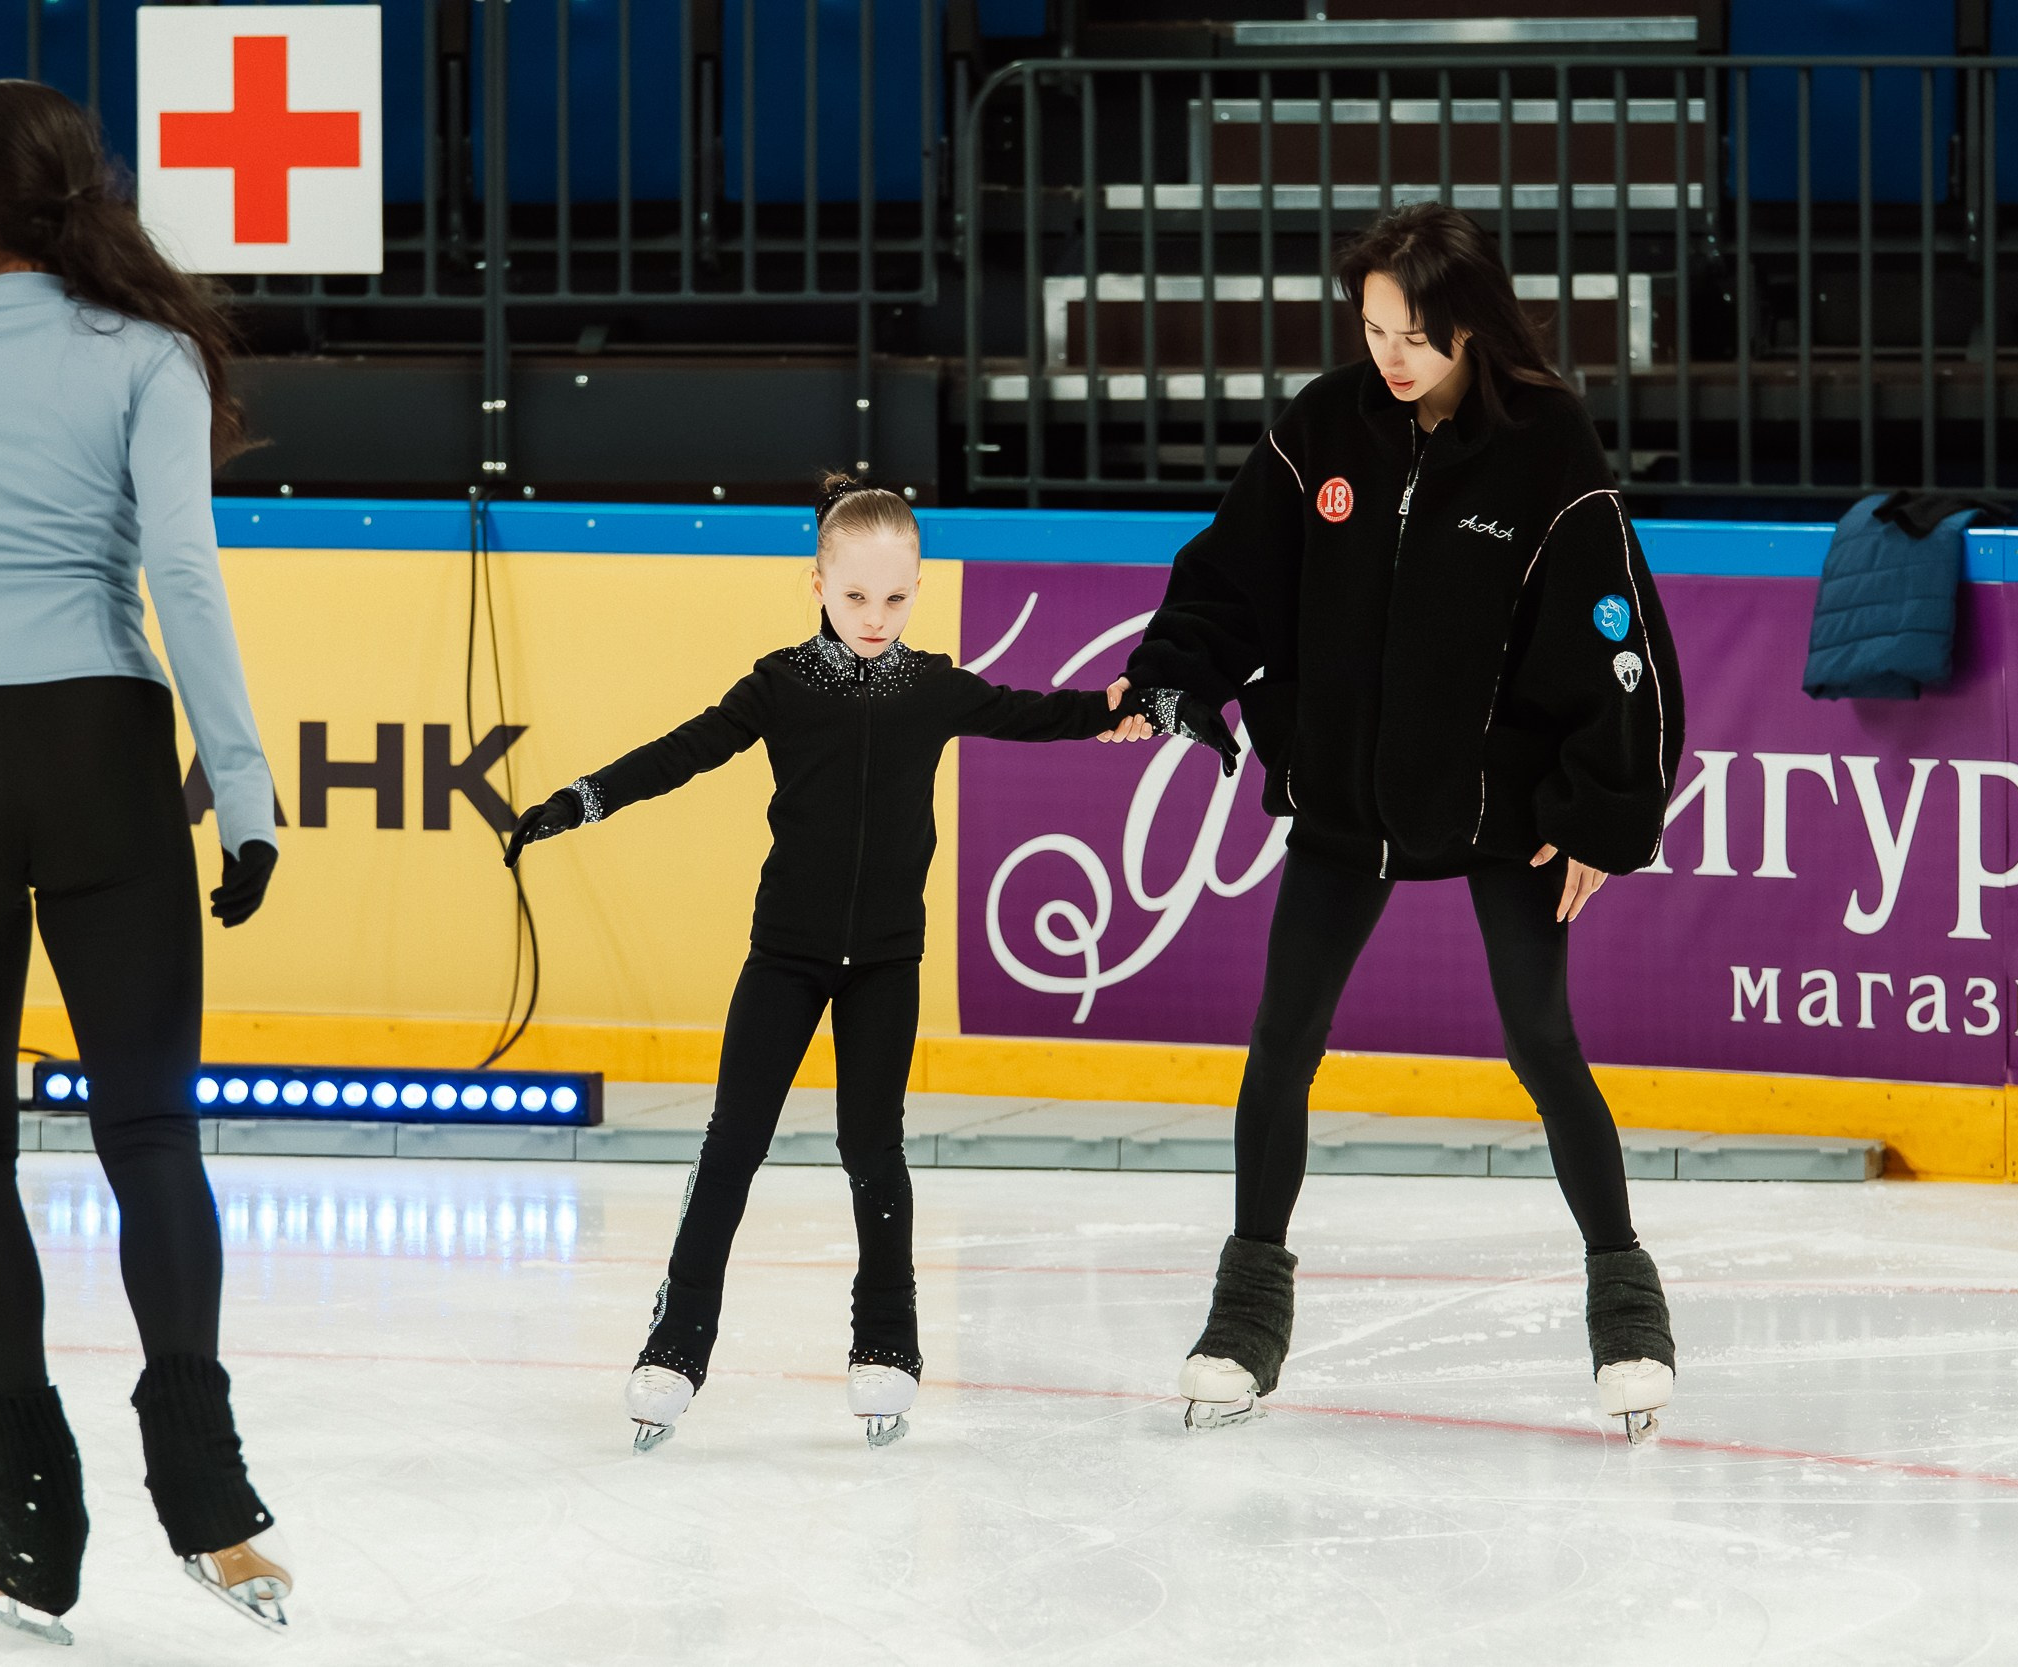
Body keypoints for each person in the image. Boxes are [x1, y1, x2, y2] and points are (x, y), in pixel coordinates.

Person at [0, 80, 291, 1641]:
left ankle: (33, 1504)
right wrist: (243, 791)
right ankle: (206, 1484)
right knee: (151, 1130)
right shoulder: (152, 354)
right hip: (104, 745)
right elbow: (183, 574)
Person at [1107, 201, 1686, 1442]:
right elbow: (1230, 574)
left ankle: (1627, 1312)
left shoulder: (1548, 447)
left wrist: (1600, 815)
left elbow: (1617, 640)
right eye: (1373, 329)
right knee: (1282, 1040)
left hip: (1498, 809)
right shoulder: (1321, 427)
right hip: (1343, 800)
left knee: (1541, 1039)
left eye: (1415, 333)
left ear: (1470, 325)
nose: (1391, 356)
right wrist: (1174, 673)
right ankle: (1241, 1322)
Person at [505, 476, 1133, 1451]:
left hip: (884, 960)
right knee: (732, 1142)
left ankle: (886, 1341)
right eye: (855, 597)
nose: (876, 617)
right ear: (817, 585)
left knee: (870, 1147)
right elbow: (679, 752)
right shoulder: (781, 685)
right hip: (786, 954)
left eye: (895, 596)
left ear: (918, 586)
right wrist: (578, 799)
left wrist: (1123, 707)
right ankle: (675, 1346)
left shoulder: (933, 687)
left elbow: (1039, 712)